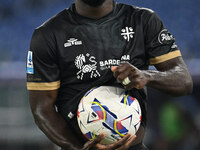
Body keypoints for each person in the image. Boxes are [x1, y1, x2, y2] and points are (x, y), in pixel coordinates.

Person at [26, 0, 193, 149]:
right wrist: (77, 148)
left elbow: (184, 81)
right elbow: (42, 108)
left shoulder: (143, 20)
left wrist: (147, 76)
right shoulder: (47, 35)